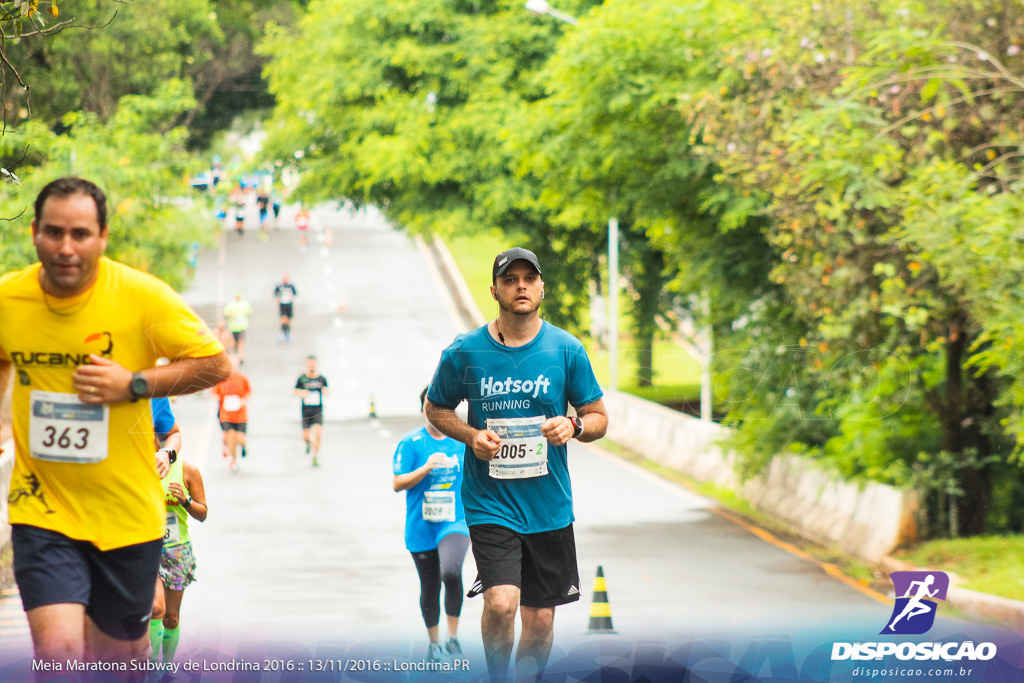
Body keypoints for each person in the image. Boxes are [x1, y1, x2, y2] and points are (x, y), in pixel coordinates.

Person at [0, 177, 229, 668]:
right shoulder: (8, 300)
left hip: (127, 517)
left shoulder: (141, 297)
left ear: (102, 236)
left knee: (118, 662)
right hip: (42, 511)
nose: (65, 247)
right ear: (34, 232)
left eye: (80, 234)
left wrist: (135, 385)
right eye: (53, 232)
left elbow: (215, 364)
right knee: (58, 652)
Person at [425, 247, 608, 681]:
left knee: (541, 619)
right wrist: (472, 436)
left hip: (549, 506)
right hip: (491, 503)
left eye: (529, 278)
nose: (520, 286)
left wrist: (574, 426)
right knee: (502, 602)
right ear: (495, 290)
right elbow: (436, 408)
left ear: (542, 287)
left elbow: (599, 416)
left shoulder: (566, 349)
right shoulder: (465, 351)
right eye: (510, 279)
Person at [393, 388, 470, 664]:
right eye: (428, 406)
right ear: (422, 410)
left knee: (450, 572)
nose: (434, 412)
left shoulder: (461, 441)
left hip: (454, 521)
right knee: (430, 585)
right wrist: (425, 468)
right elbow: (397, 483)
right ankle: (434, 643)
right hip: (421, 526)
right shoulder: (411, 442)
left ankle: (453, 638)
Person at [148, 398, 207, 663]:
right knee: (155, 609)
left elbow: (203, 513)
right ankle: (149, 667)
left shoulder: (186, 470)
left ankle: (166, 667)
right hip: (146, 547)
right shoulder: (135, 473)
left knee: (171, 617)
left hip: (177, 549)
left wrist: (184, 500)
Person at [213, 354, 251, 472]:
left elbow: (249, 392)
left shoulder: (242, 378)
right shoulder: (221, 378)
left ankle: (243, 446)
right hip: (226, 414)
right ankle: (234, 461)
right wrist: (220, 399)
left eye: (235, 364)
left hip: (240, 414)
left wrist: (243, 400)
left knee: (240, 439)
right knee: (230, 437)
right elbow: (214, 392)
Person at [294, 355, 328, 466]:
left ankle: (315, 456)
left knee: (318, 432)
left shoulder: (321, 378)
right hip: (306, 410)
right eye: (309, 363)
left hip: (317, 409)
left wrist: (324, 391)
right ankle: (309, 444)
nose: (311, 365)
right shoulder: (302, 378)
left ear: (316, 364)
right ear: (307, 365)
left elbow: (327, 389)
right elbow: (295, 390)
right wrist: (302, 393)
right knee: (306, 436)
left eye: (313, 363)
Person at [222, 291, 251, 365]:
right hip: (233, 327)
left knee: (241, 341)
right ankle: (235, 355)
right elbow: (225, 314)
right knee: (234, 343)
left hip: (242, 326)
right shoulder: (230, 304)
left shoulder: (245, 304)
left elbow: (248, 312)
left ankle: (241, 357)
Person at [274, 274, 298, 343]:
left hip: (289, 305)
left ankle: (288, 334)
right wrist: (278, 300)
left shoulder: (291, 286)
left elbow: (295, 294)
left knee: (289, 321)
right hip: (282, 305)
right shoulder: (280, 286)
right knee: (283, 320)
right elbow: (276, 293)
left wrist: (291, 297)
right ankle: (282, 334)